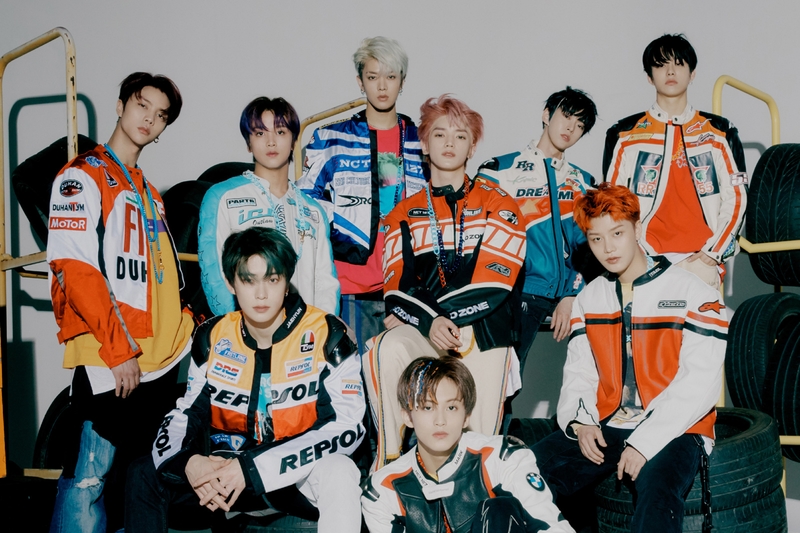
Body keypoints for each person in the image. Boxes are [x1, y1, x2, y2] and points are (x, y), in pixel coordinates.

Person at [125, 227, 365, 533]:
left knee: (340, 469)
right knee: (143, 471)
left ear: (286, 283)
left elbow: (347, 428)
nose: (261, 294)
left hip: (292, 479)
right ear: (231, 283)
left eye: (272, 279)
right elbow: (186, 414)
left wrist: (253, 468)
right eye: (249, 280)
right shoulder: (212, 336)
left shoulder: (327, 334)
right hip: (226, 477)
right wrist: (189, 462)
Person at [531, 183, 727, 532]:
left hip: (678, 428)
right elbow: (580, 373)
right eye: (596, 239)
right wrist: (581, 422)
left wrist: (645, 443)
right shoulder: (589, 298)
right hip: (609, 423)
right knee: (525, 471)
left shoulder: (693, 292)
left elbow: (699, 383)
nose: (608, 248)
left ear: (637, 229)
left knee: (657, 490)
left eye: (617, 233)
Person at [46, 72, 192, 532]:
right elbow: (75, 268)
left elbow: (159, 281)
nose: (149, 119)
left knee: (136, 480)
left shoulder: (149, 192)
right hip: (111, 357)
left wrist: (187, 325)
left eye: (160, 115)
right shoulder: (81, 176)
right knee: (88, 477)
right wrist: (116, 350)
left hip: (154, 362)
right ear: (121, 105)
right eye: (142, 105)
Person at [362, 95, 525, 469]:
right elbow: (397, 288)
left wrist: (437, 317)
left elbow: (495, 282)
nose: (449, 143)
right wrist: (429, 321)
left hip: (484, 332)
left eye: (460, 135)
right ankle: (388, 463)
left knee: (479, 446)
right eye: (439, 134)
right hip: (428, 331)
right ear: (424, 143)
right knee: (384, 347)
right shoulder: (402, 213)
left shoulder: (500, 203)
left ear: (472, 147)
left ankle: (479, 476)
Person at [297, 36, 425, 353]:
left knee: (401, 381)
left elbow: (404, 200)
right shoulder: (331, 138)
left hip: (406, 289)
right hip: (349, 287)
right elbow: (305, 205)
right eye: (372, 76)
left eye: (390, 76)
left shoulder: (420, 141)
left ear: (402, 81)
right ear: (360, 81)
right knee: (353, 378)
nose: (382, 86)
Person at [361, 356, 574, 533]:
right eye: (427, 407)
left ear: (466, 416)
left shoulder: (501, 457)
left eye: (451, 408)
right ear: (408, 416)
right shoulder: (383, 489)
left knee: (499, 509)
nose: (440, 420)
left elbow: (551, 525)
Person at [603, 33, 748, 289]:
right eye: (661, 65)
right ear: (649, 77)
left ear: (692, 74)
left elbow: (737, 196)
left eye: (679, 64)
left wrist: (714, 252)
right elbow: (613, 203)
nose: (670, 71)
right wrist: (635, 253)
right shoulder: (625, 134)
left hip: (701, 261)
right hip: (645, 260)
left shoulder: (718, 131)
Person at [477, 86, 598, 372]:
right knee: (503, 379)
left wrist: (571, 294)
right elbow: (479, 238)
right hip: (519, 293)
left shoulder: (583, 182)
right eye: (566, 116)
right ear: (546, 115)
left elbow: (589, 245)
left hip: (570, 295)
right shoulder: (499, 171)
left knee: (589, 374)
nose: (571, 128)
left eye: (580, 125)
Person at [199, 96, 339, 316]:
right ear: (248, 142)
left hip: (305, 333)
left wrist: (323, 329)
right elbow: (214, 274)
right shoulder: (222, 197)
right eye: (260, 133)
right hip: (247, 331)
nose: (271, 142)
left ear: (294, 141)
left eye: (280, 132)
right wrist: (235, 329)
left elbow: (325, 284)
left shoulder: (314, 211)